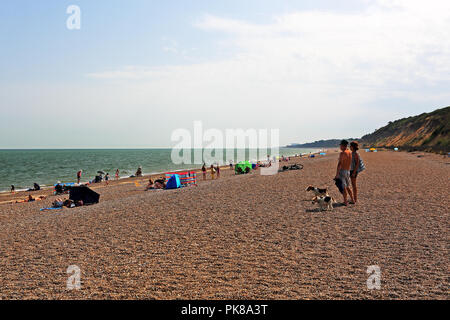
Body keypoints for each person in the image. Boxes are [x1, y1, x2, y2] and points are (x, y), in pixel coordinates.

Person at [335, 140, 355, 206]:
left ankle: (345, 202)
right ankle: (352, 200)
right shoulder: (349, 152)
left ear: (343, 146)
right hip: (347, 171)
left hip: (342, 171)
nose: (340, 147)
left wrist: (337, 175)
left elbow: (339, 164)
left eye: (340, 145)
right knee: (348, 186)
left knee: (343, 187)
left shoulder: (342, 153)